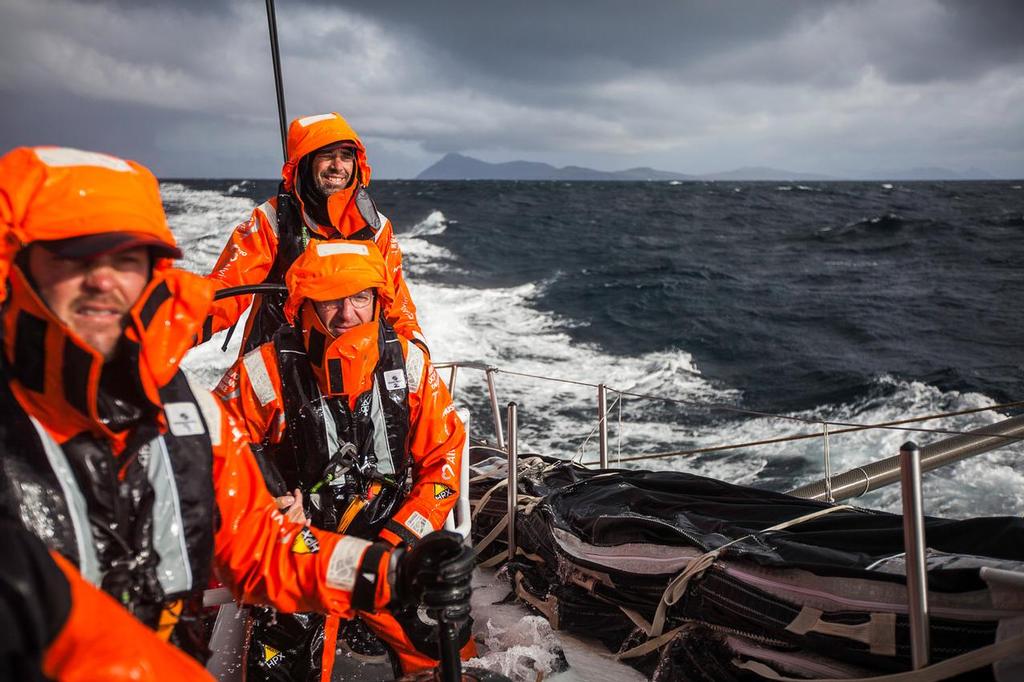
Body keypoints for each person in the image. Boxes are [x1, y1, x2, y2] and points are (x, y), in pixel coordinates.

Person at [0, 146, 473, 672]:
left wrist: (389, 573)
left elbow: (264, 549)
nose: (104, 281)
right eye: (71, 256)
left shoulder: (192, 419)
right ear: (13, 267)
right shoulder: (258, 376)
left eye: (127, 259)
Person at [215, 239, 471, 679]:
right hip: (299, 549)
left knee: (447, 652)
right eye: (332, 300)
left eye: (360, 297)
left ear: (379, 302)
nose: (348, 313)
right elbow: (221, 451)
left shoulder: (410, 366)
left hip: (391, 538)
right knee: (278, 666)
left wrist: (401, 541)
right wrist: (266, 504)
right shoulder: (262, 371)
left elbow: (443, 458)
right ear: (304, 307)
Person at [203, 112, 426, 357]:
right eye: (327, 155)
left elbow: (396, 304)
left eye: (346, 157)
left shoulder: (377, 228)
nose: (337, 166)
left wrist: (416, 350)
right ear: (306, 163)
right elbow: (228, 289)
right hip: (278, 360)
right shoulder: (271, 220)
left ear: (357, 165)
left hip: (358, 362)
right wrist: (177, 323)